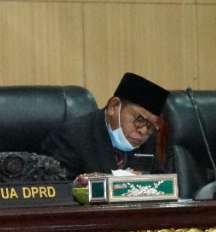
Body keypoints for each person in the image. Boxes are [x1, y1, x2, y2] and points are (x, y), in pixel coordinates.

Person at [40, 72, 169, 177]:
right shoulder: (69, 138)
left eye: (151, 126)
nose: (143, 131)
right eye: (139, 120)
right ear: (114, 107)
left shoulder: (147, 141)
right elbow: (59, 189)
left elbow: (160, 182)